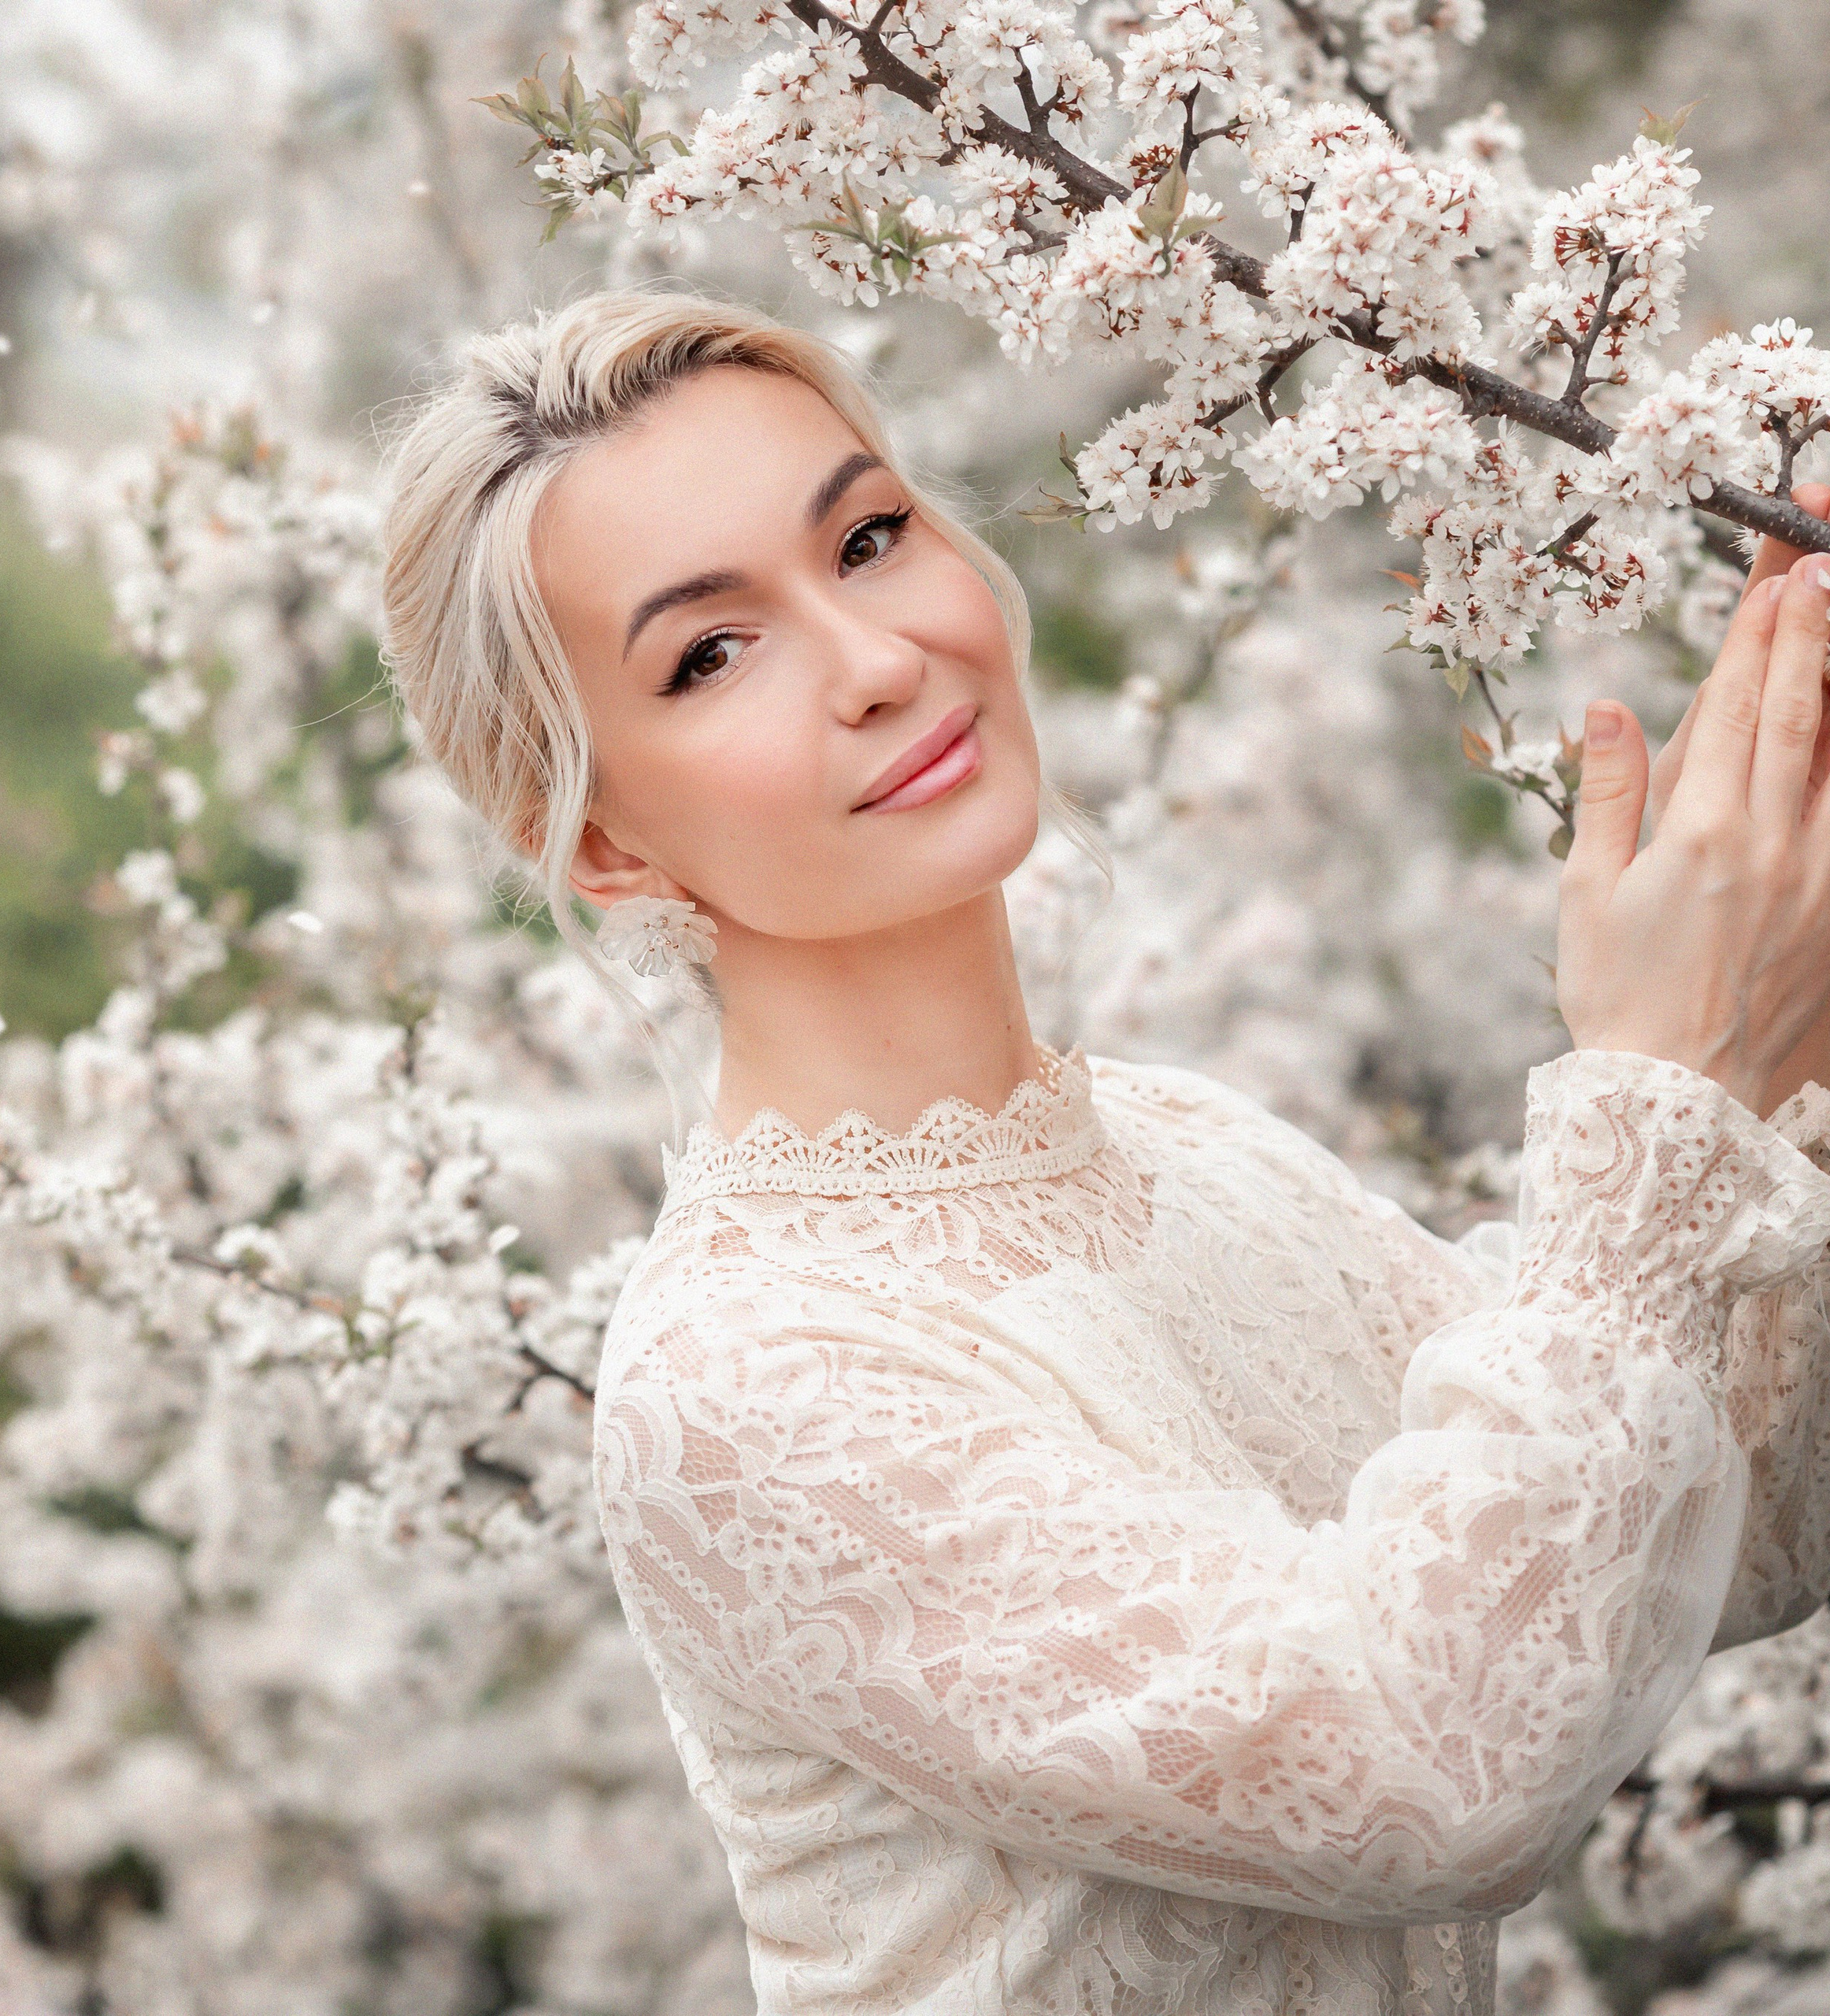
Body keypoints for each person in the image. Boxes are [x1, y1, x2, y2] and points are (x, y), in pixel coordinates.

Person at [377, 284, 1830, 2015]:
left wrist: (1769, 1043)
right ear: (605, 841)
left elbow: (1709, 1524)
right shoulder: (745, 1377)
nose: (874, 660)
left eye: (865, 537)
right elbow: (1426, 1762)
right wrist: (1661, 1085)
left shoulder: (1185, 1144)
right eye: (709, 651)